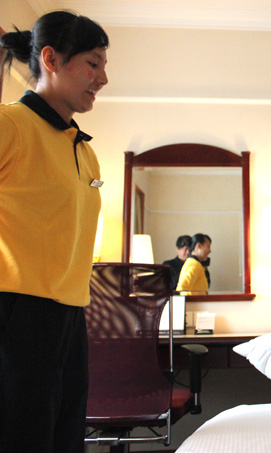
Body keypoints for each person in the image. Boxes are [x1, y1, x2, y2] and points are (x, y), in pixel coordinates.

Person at [0, 11, 109, 452]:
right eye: (93, 63)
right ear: (51, 59)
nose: (103, 79)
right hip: (16, 312)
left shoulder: (83, 149)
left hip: (69, 315)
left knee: (63, 437)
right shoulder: (10, 124)